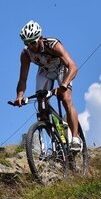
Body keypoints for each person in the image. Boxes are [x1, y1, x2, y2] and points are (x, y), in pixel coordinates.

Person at [13, 20, 82, 152]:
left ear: (40, 38)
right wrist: (19, 96)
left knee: (66, 99)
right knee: (42, 105)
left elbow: (73, 66)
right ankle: (57, 141)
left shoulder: (53, 45)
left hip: (62, 69)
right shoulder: (26, 54)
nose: (30, 46)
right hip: (45, 71)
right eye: (26, 43)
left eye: (32, 42)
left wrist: (64, 84)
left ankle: (75, 139)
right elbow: (22, 79)